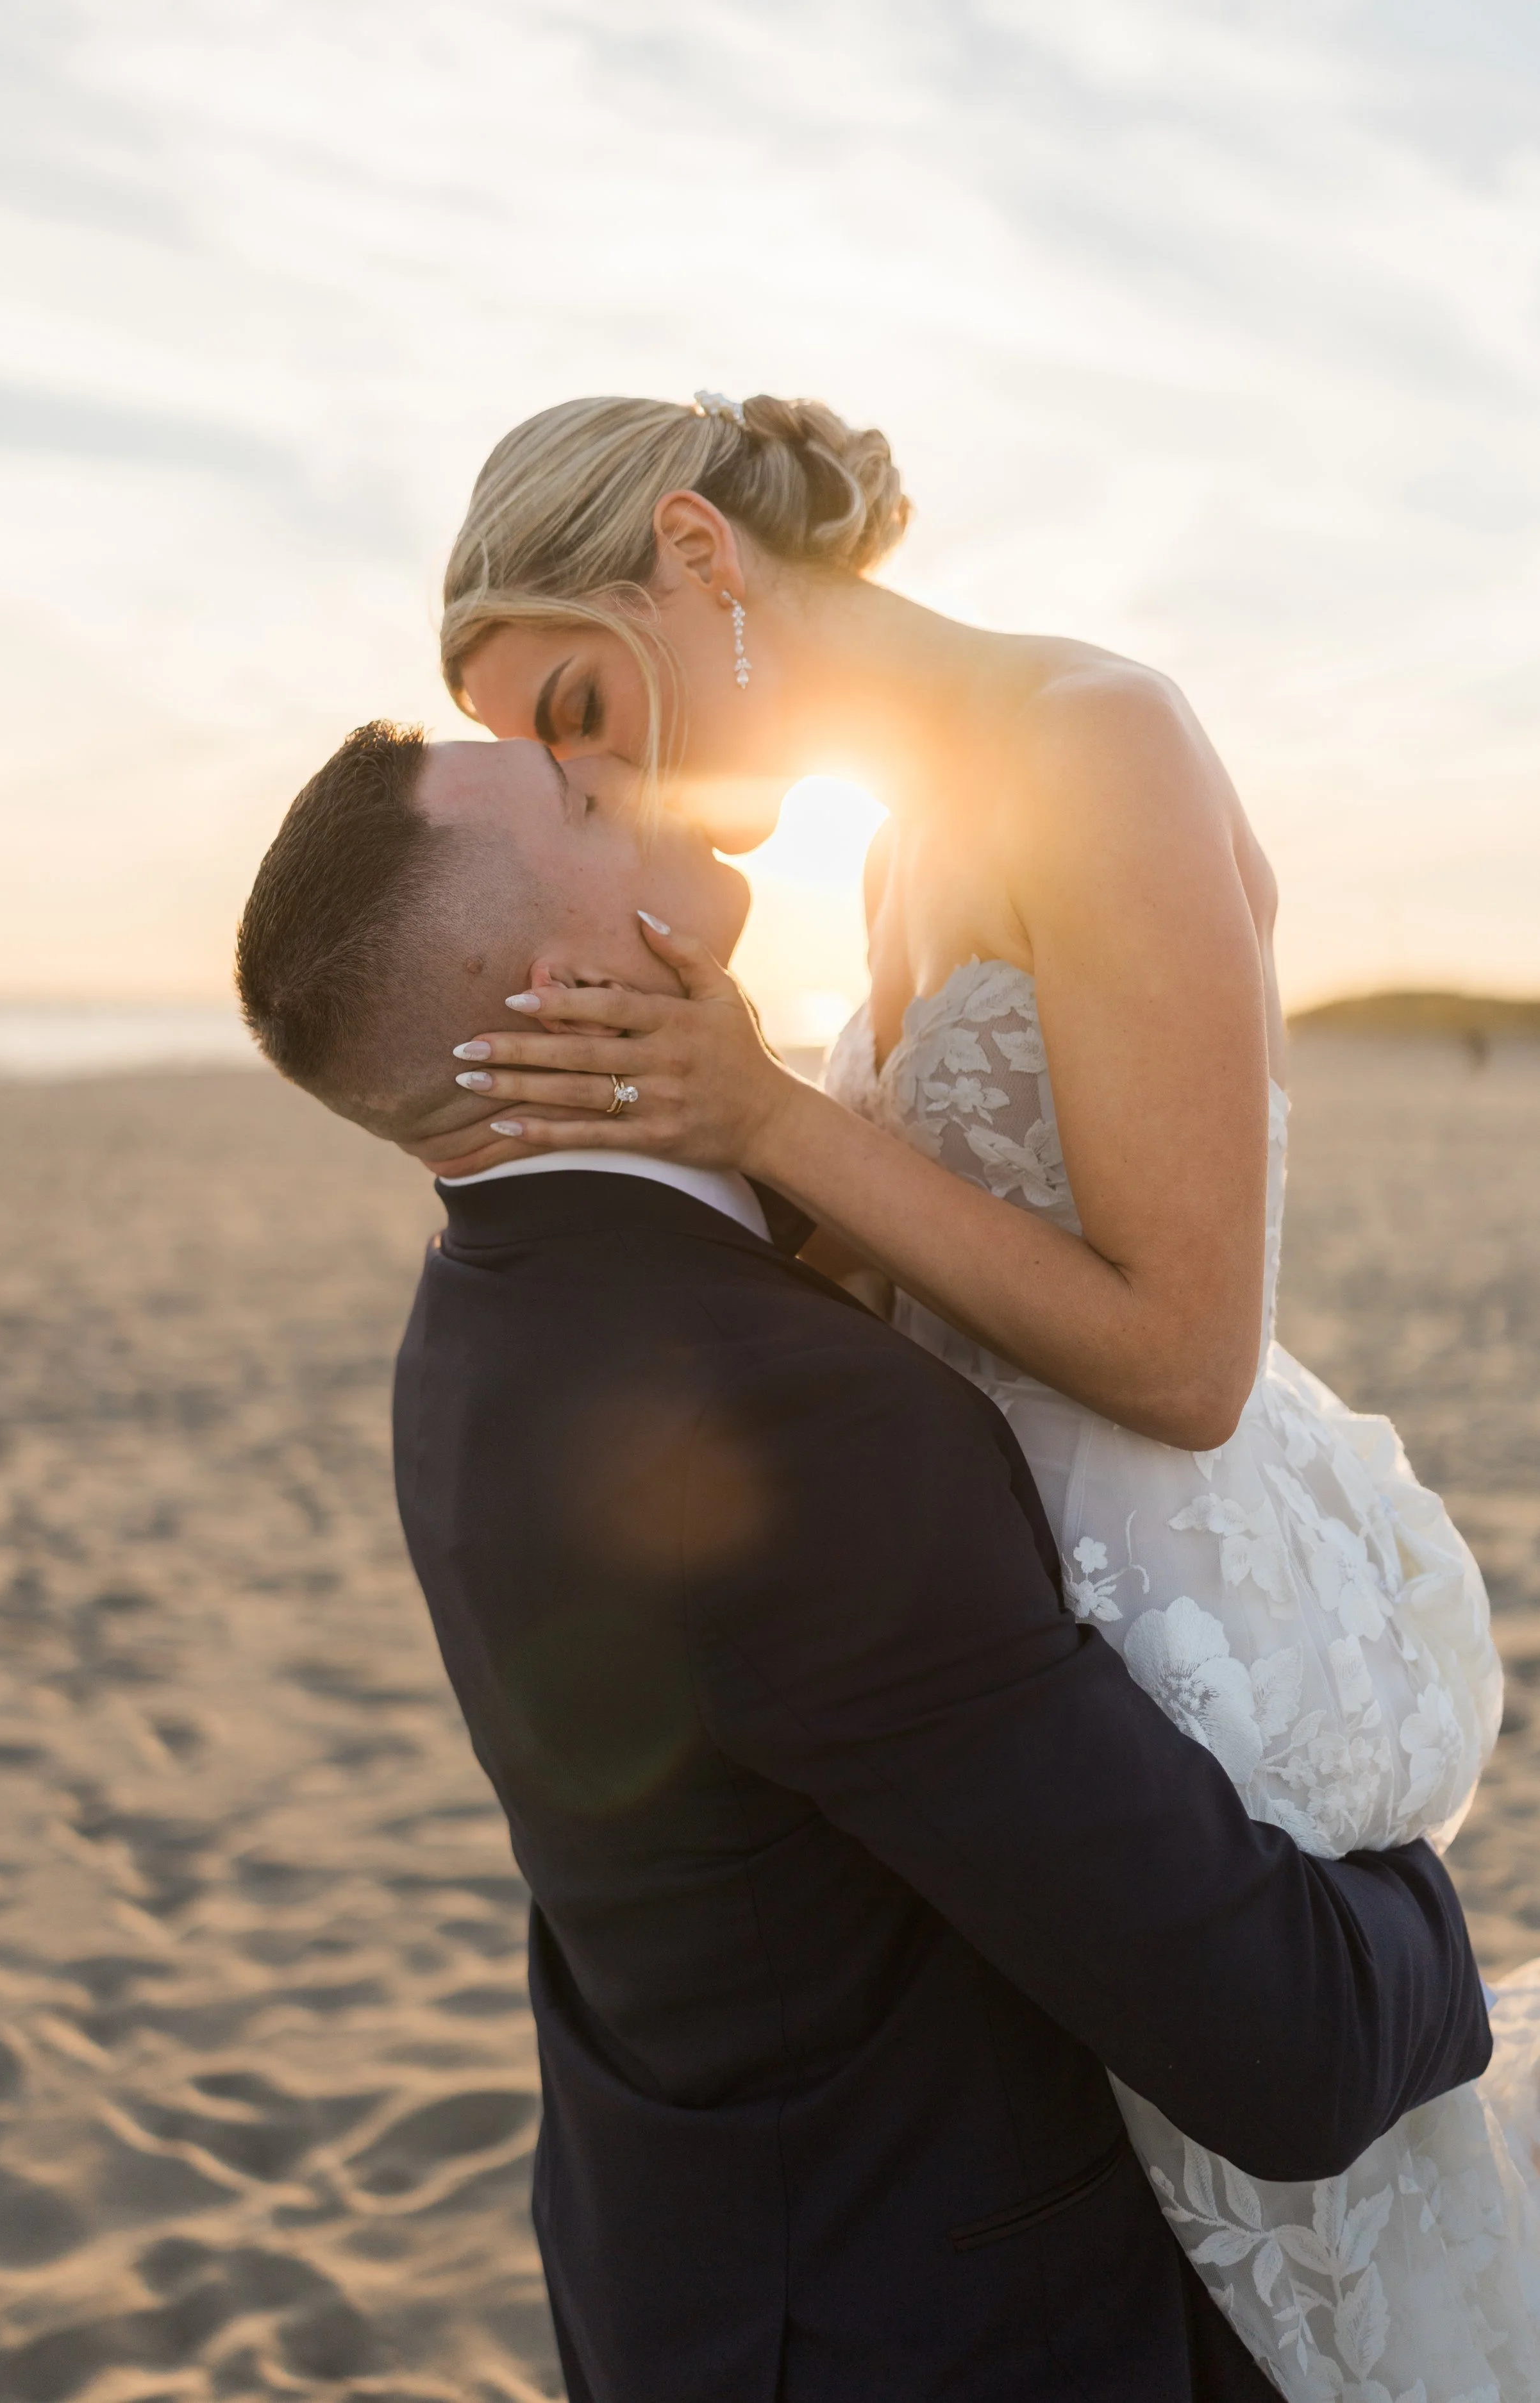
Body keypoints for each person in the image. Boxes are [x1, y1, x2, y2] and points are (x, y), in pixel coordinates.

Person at [412, 391, 1540, 2397]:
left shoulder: (1094, 740)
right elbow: (937, 1240)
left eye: (576, 704)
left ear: (694, 555)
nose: (586, 776)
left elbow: (1183, 1355)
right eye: (537, 757)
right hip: (1018, 1646)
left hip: (1183, 1621)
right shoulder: (907, 832)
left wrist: (762, 1110)